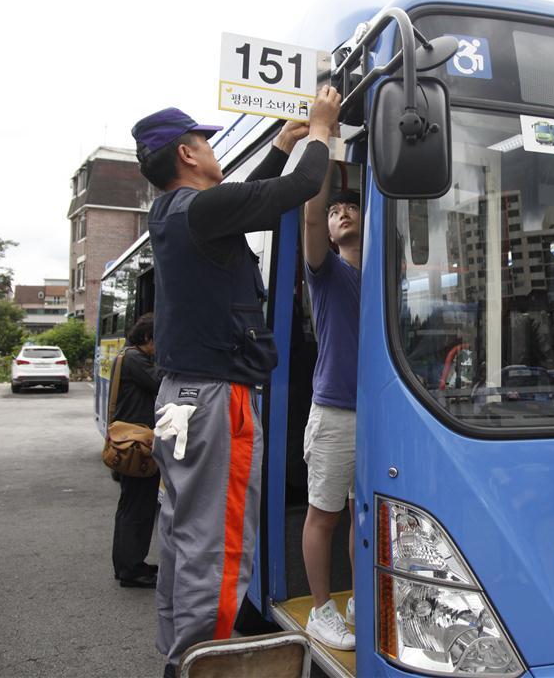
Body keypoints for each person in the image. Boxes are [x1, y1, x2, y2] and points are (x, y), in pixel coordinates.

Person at [131, 86, 341, 678]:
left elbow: (244, 201)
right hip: (217, 400)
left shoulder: (172, 213)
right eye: (205, 140)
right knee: (216, 550)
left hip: (182, 399)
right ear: (188, 154)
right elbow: (296, 191)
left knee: (181, 539)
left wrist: (279, 145)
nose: (211, 148)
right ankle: (204, 669)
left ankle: (180, 660)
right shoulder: (198, 209)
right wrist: (321, 130)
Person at [301, 159, 361, 651]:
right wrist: (322, 152)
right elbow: (310, 217)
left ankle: (362, 596)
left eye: (351, 208)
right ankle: (321, 612)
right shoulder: (326, 273)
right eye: (335, 209)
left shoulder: (387, 281)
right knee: (325, 514)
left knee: (364, 512)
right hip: (336, 411)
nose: (340, 213)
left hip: (383, 412)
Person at [111, 312, 162, 588]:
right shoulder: (135, 359)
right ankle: (131, 570)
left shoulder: (127, 355)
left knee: (129, 507)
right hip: (137, 446)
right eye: (158, 339)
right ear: (146, 338)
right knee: (138, 510)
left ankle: (127, 564)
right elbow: (160, 381)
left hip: (130, 443)